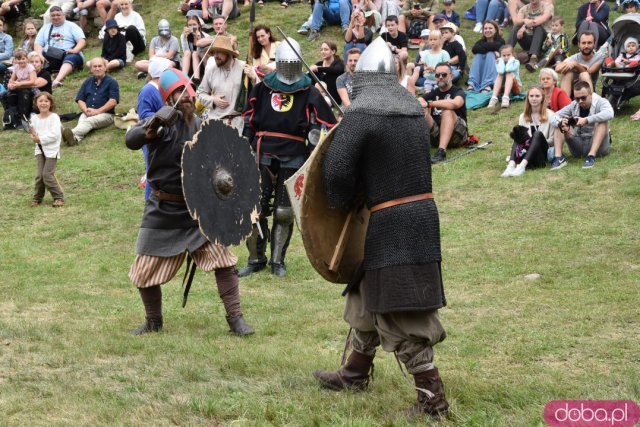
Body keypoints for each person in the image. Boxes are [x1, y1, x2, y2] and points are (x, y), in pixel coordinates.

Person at [313, 37, 449, 418]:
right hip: (421, 214)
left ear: (363, 77)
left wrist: (342, 202)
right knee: (366, 293)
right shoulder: (410, 105)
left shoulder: (363, 111)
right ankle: (355, 372)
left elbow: (337, 171)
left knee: (402, 310)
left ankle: (432, 399)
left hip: (391, 222)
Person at [125, 68, 253, 336]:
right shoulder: (159, 126)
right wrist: (151, 127)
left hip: (197, 209)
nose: (185, 99)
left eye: (188, 94)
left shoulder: (202, 126)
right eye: (178, 95)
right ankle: (153, 321)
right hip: (162, 208)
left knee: (224, 261)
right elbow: (131, 140)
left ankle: (236, 319)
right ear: (168, 99)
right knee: (143, 271)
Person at [240, 38, 337, 278]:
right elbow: (249, 119)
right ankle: (255, 258)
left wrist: (316, 134)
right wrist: (244, 143)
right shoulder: (263, 87)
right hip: (261, 153)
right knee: (254, 209)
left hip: (293, 154)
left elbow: (324, 124)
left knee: (283, 212)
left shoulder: (309, 90)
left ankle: (277, 261)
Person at [549, 80, 613, 170]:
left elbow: (610, 113)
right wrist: (560, 122)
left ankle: (591, 157)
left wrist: (587, 120)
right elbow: (553, 116)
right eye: (577, 98)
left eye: (583, 98)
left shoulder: (601, 101)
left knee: (602, 121)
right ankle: (558, 158)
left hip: (598, 147)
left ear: (591, 93)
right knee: (559, 123)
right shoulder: (574, 104)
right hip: (578, 145)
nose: (580, 101)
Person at [62, 58, 119, 145]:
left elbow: (113, 101)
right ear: (91, 69)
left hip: (106, 114)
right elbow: (80, 99)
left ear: (105, 68)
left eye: (100, 66)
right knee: (82, 123)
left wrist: (97, 111)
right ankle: (75, 139)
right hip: (87, 112)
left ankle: (69, 133)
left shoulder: (112, 82)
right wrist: (85, 110)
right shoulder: (87, 82)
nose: (97, 68)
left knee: (89, 122)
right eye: (94, 66)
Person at [501, 86, 555, 177]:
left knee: (537, 134)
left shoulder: (551, 115)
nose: (534, 98)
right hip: (527, 152)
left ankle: (522, 166)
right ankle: (511, 165)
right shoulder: (523, 116)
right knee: (517, 135)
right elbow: (520, 140)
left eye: (537, 96)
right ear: (528, 98)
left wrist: (535, 141)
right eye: (531, 96)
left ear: (542, 98)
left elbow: (553, 140)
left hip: (542, 154)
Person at [196, 35, 246, 134]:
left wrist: (253, 77)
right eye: (214, 52)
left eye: (219, 52)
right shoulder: (211, 70)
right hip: (215, 123)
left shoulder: (244, 68)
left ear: (228, 53)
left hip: (237, 124)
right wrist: (213, 99)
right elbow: (200, 94)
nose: (215, 55)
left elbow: (256, 90)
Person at [419, 62, 467, 163]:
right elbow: (418, 101)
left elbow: (455, 104)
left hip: (457, 134)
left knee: (447, 111)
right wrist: (423, 105)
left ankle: (441, 152)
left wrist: (429, 104)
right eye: (437, 75)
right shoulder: (433, 93)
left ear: (451, 76)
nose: (440, 77)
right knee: (420, 109)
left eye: (444, 74)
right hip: (436, 135)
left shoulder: (458, 91)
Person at [34, 5, 86, 88]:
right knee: (34, 57)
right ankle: (31, 80)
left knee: (71, 58)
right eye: (53, 16)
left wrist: (75, 50)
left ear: (63, 15)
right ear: (50, 17)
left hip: (69, 53)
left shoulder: (72, 26)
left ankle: (57, 80)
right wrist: (40, 55)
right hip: (51, 55)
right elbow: (38, 44)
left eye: (58, 15)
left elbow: (82, 41)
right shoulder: (45, 28)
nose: (56, 17)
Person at [30, 92, 64, 208]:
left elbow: (55, 135)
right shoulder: (34, 118)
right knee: (39, 175)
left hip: (52, 150)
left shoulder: (54, 117)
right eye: (40, 101)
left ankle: (58, 197)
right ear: (36, 103)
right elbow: (34, 133)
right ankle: (37, 198)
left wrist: (40, 139)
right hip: (40, 150)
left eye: (46, 101)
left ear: (51, 103)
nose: (43, 103)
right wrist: (34, 137)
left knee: (47, 175)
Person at [508, 0, 554, 69]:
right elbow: (517, 21)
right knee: (516, 27)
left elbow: (541, 20)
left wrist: (524, 26)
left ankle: (533, 58)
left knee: (538, 27)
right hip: (529, 40)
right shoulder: (524, 9)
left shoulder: (547, 6)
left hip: (544, 40)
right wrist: (524, 20)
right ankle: (506, 52)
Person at [555, 31, 604, 95]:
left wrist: (576, 65)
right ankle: (565, 103)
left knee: (584, 75)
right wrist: (573, 64)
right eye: (583, 43)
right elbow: (557, 68)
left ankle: (590, 102)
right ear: (579, 44)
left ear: (594, 44)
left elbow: (589, 72)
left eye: (589, 43)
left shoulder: (599, 56)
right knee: (567, 73)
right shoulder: (575, 57)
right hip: (571, 91)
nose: (586, 46)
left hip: (587, 90)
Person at [1, 49, 36, 130]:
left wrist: (20, 84)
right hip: (19, 87)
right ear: (15, 60)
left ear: (27, 59)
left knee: (23, 94)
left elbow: (33, 81)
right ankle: (10, 116)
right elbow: (12, 79)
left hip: (29, 88)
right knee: (5, 95)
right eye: (18, 59)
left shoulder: (30, 68)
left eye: (23, 59)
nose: (21, 61)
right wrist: (10, 84)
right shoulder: (16, 67)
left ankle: (23, 118)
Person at [467, 20, 504, 92]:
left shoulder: (500, 41)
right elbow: (474, 49)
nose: (487, 30)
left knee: (490, 54)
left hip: (496, 71)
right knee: (478, 55)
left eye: (490, 28)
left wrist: (488, 49)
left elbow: (498, 46)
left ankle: (488, 84)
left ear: (496, 30)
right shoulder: (481, 41)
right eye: (485, 28)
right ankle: (472, 83)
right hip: (482, 69)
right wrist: (493, 49)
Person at [488, 44, 522, 109]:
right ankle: (494, 97)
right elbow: (501, 71)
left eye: (508, 55)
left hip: (515, 88)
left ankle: (505, 97)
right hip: (502, 87)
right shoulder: (499, 62)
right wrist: (500, 61)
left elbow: (508, 69)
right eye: (504, 55)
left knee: (509, 73)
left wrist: (511, 60)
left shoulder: (516, 62)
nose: (506, 57)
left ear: (512, 55)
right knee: (499, 75)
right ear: (500, 56)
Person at [181, 15, 209, 84]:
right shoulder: (183, 35)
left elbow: (202, 53)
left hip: (201, 63)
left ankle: (197, 78)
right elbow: (185, 52)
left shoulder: (205, 36)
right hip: (189, 64)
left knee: (195, 53)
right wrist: (185, 38)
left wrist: (199, 38)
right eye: (189, 25)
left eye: (194, 25)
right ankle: (183, 77)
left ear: (199, 25)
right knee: (188, 52)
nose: (192, 27)